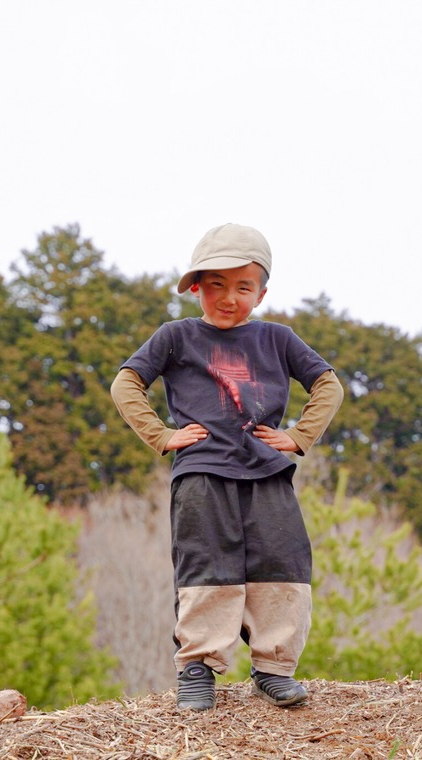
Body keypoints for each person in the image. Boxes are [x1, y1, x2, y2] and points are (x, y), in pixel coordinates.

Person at [110, 223, 344, 711]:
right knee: (206, 566)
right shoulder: (175, 336)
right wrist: (161, 434)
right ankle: (197, 668)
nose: (229, 297)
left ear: (261, 293)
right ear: (196, 286)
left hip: (267, 470)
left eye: (243, 286)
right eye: (216, 284)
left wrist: (299, 437)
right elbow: (126, 383)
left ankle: (273, 668)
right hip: (201, 473)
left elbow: (329, 385)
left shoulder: (278, 339)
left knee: (282, 565)